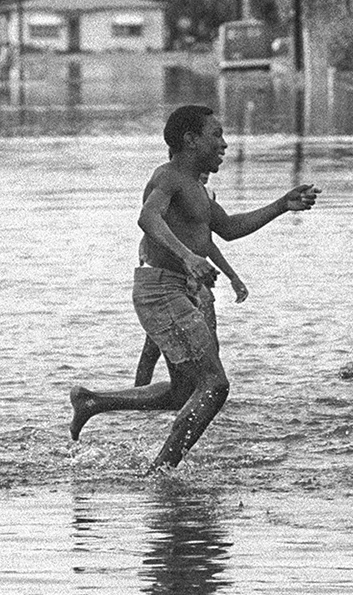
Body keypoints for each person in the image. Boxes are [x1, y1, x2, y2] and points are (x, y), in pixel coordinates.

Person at [69, 104, 320, 472]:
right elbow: (147, 217)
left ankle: (93, 402)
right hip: (161, 290)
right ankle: (162, 470)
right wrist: (187, 257)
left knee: (183, 391)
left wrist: (282, 205)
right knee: (215, 386)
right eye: (216, 135)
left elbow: (230, 228)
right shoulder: (167, 177)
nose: (224, 144)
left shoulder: (198, 190)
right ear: (190, 140)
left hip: (177, 290)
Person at [133, 174, 247, 385]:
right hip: (167, 279)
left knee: (209, 338)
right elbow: (151, 227)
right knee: (152, 348)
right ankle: (141, 398)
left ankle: (204, 390)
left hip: (194, 280)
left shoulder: (207, 196)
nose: (204, 174)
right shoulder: (169, 188)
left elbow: (208, 241)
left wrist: (232, 276)